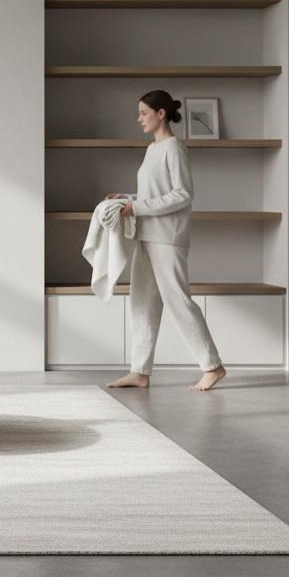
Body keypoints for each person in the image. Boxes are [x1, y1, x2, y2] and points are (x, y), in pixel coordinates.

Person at [105, 90, 227, 392]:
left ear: (161, 113)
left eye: (143, 113)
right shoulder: (153, 149)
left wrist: (138, 207)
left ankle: (213, 366)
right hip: (147, 235)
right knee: (141, 304)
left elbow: (182, 194)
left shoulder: (174, 148)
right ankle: (140, 372)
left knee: (177, 302)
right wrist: (127, 200)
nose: (139, 118)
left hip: (168, 238)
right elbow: (154, 194)